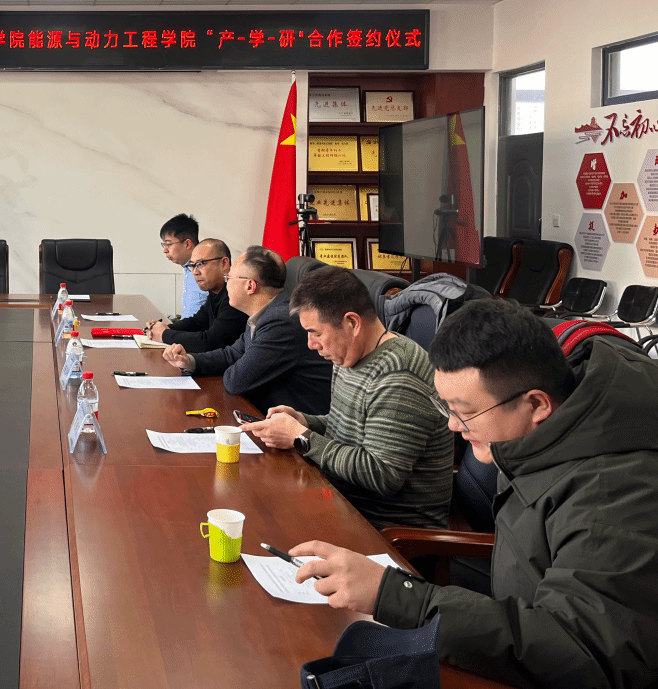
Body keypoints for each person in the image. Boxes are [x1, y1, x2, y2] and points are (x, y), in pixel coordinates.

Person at [289, 300, 658, 689]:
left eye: (464, 411)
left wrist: (400, 597)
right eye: (447, 407)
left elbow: (586, 650)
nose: (453, 425)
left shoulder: (613, 495)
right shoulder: (536, 438)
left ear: (536, 404)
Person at [242, 266, 453, 529]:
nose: (310, 344)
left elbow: (382, 475)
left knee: (263, 522)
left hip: (383, 527)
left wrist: (300, 437)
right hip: (341, 501)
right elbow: (346, 428)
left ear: (352, 323)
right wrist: (303, 421)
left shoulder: (398, 376)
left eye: (316, 332)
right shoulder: (350, 354)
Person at [162, 246, 332, 415]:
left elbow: (236, 381)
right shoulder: (263, 313)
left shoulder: (280, 322)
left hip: (294, 422)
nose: (226, 283)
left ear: (250, 286)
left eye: (229, 278)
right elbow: (232, 354)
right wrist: (189, 361)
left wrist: (238, 365)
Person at [144, 238, 247, 353]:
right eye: (192, 266)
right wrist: (162, 329)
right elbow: (197, 323)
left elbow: (211, 342)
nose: (195, 272)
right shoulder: (215, 292)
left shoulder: (235, 296)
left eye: (201, 264)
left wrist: (165, 334)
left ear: (224, 263)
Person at [160, 213, 205, 318]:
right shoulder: (188, 268)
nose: (165, 250)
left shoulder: (205, 271)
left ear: (187, 244)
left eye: (169, 244)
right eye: (164, 245)